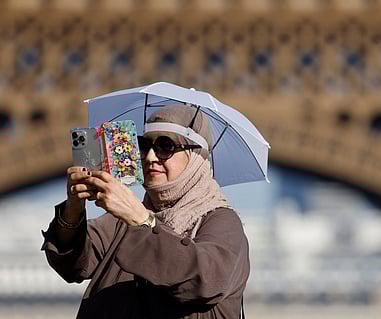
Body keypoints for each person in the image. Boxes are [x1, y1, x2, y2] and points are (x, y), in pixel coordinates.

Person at [41, 104, 250, 319]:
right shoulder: (122, 220)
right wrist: (73, 209)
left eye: (165, 146)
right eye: (144, 145)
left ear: (196, 156)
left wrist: (141, 220)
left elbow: (204, 280)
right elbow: (73, 264)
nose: (150, 157)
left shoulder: (222, 220)